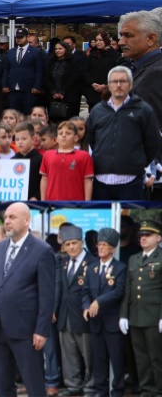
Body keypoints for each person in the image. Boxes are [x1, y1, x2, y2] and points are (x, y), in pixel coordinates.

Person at [0, 202, 57, 397]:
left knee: (33, 384)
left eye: (12, 217)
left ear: (26, 220)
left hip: (26, 330)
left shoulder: (42, 250)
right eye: (6, 217)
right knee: (2, 384)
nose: (7, 221)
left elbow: (47, 294)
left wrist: (42, 330)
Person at [88, 65, 161, 201]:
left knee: (129, 221)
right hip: (100, 181)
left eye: (123, 81)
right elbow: (92, 140)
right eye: (114, 81)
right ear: (109, 85)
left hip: (131, 181)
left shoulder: (143, 110)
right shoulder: (97, 111)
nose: (119, 85)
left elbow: (153, 142)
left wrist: (139, 162)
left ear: (131, 85)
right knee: (104, 221)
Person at [81, 227, 127, 397]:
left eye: (104, 245)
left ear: (112, 248)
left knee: (116, 360)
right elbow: (85, 291)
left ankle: (117, 391)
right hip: (96, 322)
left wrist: (98, 301)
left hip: (112, 321)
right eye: (99, 244)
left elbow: (118, 291)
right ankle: (100, 390)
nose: (100, 247)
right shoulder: (92, 267)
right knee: (98, 360)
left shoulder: (120, 268)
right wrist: (86, 306)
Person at [120, 218, 162, 397]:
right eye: (141, 235)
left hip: (154, 316)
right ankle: (147, 389)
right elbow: (128, 290)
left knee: (156, 358)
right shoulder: (134, 259)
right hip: (136, 315)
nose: (143, 238)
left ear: (158, 238)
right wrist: (124, 315)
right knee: (141, 358)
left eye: (148, 235)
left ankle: (159, 389)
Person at [54, 225, 95, 397]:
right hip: (65, 314)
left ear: (82, 242)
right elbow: (59, 288)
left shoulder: (93, 262)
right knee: (68, 353)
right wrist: (54, 310)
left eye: (74, 243)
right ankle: (73, 385)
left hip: (84, 315)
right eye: (67, 244)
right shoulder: (63, 262)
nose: (71, 247)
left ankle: (91, 386)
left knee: (88, 354)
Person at [119, 10, 162, 129]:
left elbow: (153, 130)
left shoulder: (156, 73)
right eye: (121, 35)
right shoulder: (141, 67)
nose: (121, 42)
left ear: (151, 39)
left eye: (128, 35)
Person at [40, 121, 94, 201]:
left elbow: (87, 181)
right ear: (57, 138)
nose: (64, 135)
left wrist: (87, 203)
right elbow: (44, 179)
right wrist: (43, 201)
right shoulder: (47, 155)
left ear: (75, 138)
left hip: (76, 203)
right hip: (52, 203)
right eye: (60, 133)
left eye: (68, 133)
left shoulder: (84, 156)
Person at [2, 28, 45, 115]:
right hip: (13, 89)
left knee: (28, 113)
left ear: (27, 37)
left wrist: (37, 86)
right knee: (14, 113)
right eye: (17, 37)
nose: (19, 39)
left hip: (29, 89)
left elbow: (39, 71)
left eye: (21, 37)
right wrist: (4, 85)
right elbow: (6, 70)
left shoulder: (36, 52)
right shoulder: (10, 52)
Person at [83, 31, 120, 111]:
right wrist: (92, 83)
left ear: (106, 40)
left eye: (100, 40)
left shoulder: (115, 55)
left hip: (109, 93)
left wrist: (105, 85)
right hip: (93, 92)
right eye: (96, 40)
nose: (98, 42)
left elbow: (117, 73)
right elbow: (86, 70)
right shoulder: (92, 55)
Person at [14, 122, 44, 201]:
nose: (20, 142)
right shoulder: (13, 160)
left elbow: (43, 181)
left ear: (33, 139)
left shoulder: (40, 159)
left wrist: (37, 197)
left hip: (34, 202)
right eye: (17, 139)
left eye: (24, 139)